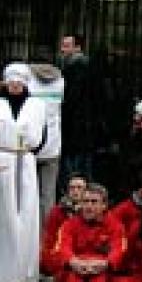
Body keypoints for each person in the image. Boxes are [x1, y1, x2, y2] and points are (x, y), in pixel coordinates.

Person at [0, 62, 48, 282]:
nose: (15, 84)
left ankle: (23, 277)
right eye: (11, 79)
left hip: (23, 164)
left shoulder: (37, 105)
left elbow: (40, 139)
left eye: (20, 79)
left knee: (25, 218)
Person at [50, 183, 125, 282]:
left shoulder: (115, 225)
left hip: (101, 273)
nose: (88, 206)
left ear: (104, 205)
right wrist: (73, 261)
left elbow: (120, 249)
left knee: (100, 276)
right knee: (71, 272)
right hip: (75, 272)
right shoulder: (70, 224)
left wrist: (104, 263)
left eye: (93, 202)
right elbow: (61, 247)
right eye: (85, 201)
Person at [57, 35, 98, 184]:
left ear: (77, 48)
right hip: (82, 128)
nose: (62, 50)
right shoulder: (83, 67)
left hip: (76, 127)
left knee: (74, 169)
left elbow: (71, 99)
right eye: (62, 45)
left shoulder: (75, 69)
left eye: (67, 46)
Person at [29, 62, 66, 215]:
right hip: (53, 145)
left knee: (28, 192)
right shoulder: (61, 81)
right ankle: (48, 231)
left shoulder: (29, 80)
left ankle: (30, 228)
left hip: (31, 144)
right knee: (48, 194)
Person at [42, 173, 89, 282]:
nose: (76, 191)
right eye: (72, 188)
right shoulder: (57, 211)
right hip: (64, 253)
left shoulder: (94, 209)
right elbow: (50, 240)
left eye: (79, 188)